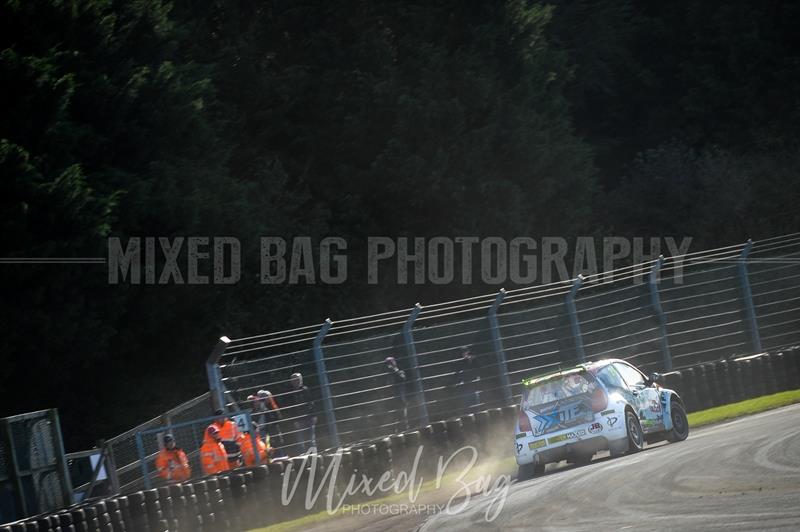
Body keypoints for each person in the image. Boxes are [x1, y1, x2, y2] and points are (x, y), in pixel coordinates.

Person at [282, 372, 317, 455]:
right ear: (291, 381)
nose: (297, 381)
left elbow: (311, 403)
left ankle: (313, 454)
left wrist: (314, 415)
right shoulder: (289, 393)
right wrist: (294, 420)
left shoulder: (305, 389)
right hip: (298, 419)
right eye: (295, 380)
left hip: (308, 417)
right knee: (300, 439)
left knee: (311, 438)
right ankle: (303, 455)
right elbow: (289, 409)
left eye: (298, 379)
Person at [451, 345, 481, 413]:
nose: (464, 354)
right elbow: (458, 372)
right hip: (465, 386)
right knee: (467, 403)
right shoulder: (460, 361)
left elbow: (477, 369)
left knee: (474, 402)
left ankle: (475, 413)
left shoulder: (472, 359)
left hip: (472, 384)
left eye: (465, 352)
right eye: (463, 353)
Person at [384, 356, 409, 431]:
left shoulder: (399, 372)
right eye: (387, 363)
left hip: (400, 398)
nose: (389, 365)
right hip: (392, 399)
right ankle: (396, 431)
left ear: (394, 362)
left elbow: (403, 378)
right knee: (393, 416)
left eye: (390, 363)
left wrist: (394, 369)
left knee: (402, 416)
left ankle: (405, 431)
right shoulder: (388, 375)